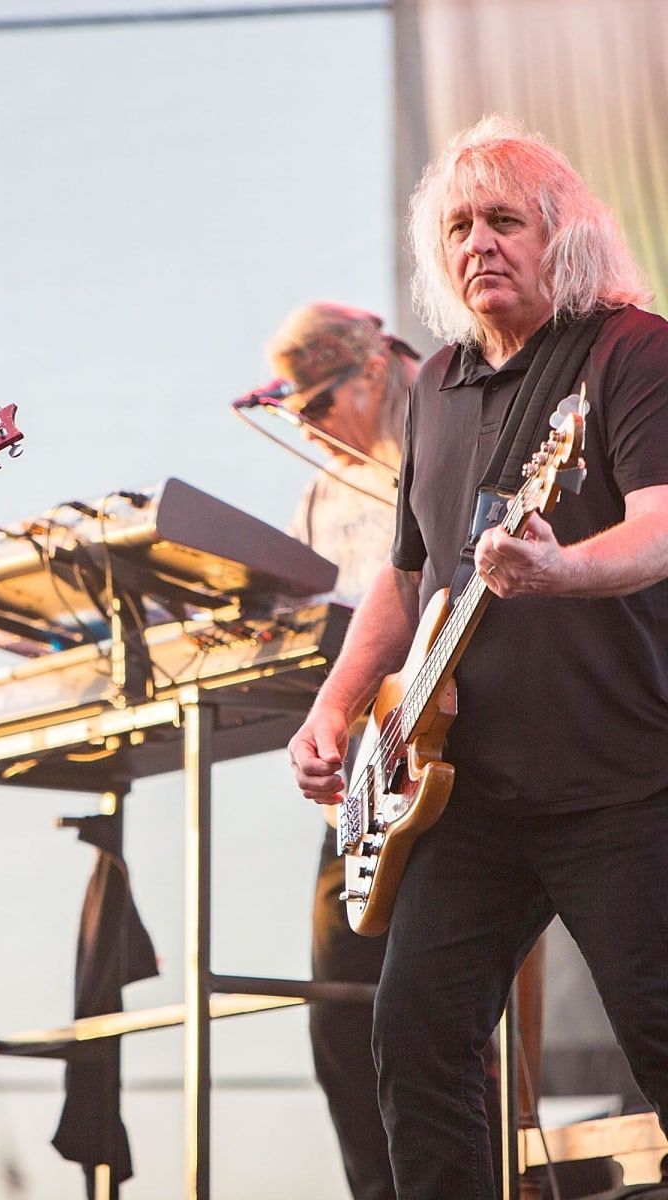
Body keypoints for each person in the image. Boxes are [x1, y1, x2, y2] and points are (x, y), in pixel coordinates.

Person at [287, 114, 668, 1199]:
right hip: (470, 799)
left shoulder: (631, 353)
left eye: (507, 221)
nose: (479, 245)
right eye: (459, 227)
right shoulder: (439, 387)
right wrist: (337, 704)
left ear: (566, 239)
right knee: (414, 1047)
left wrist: (566, 572)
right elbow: (406, 585)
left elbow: (660, 524)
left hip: (623, 782)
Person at [265, 302, 415, 1200]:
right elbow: (287, 616)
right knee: (337, 1020)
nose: (309, 432)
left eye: (316, 408)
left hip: (455, 758)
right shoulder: (323, 492)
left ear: (367, 372)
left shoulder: (442, 426)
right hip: (363, 788)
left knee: (429, 1018)